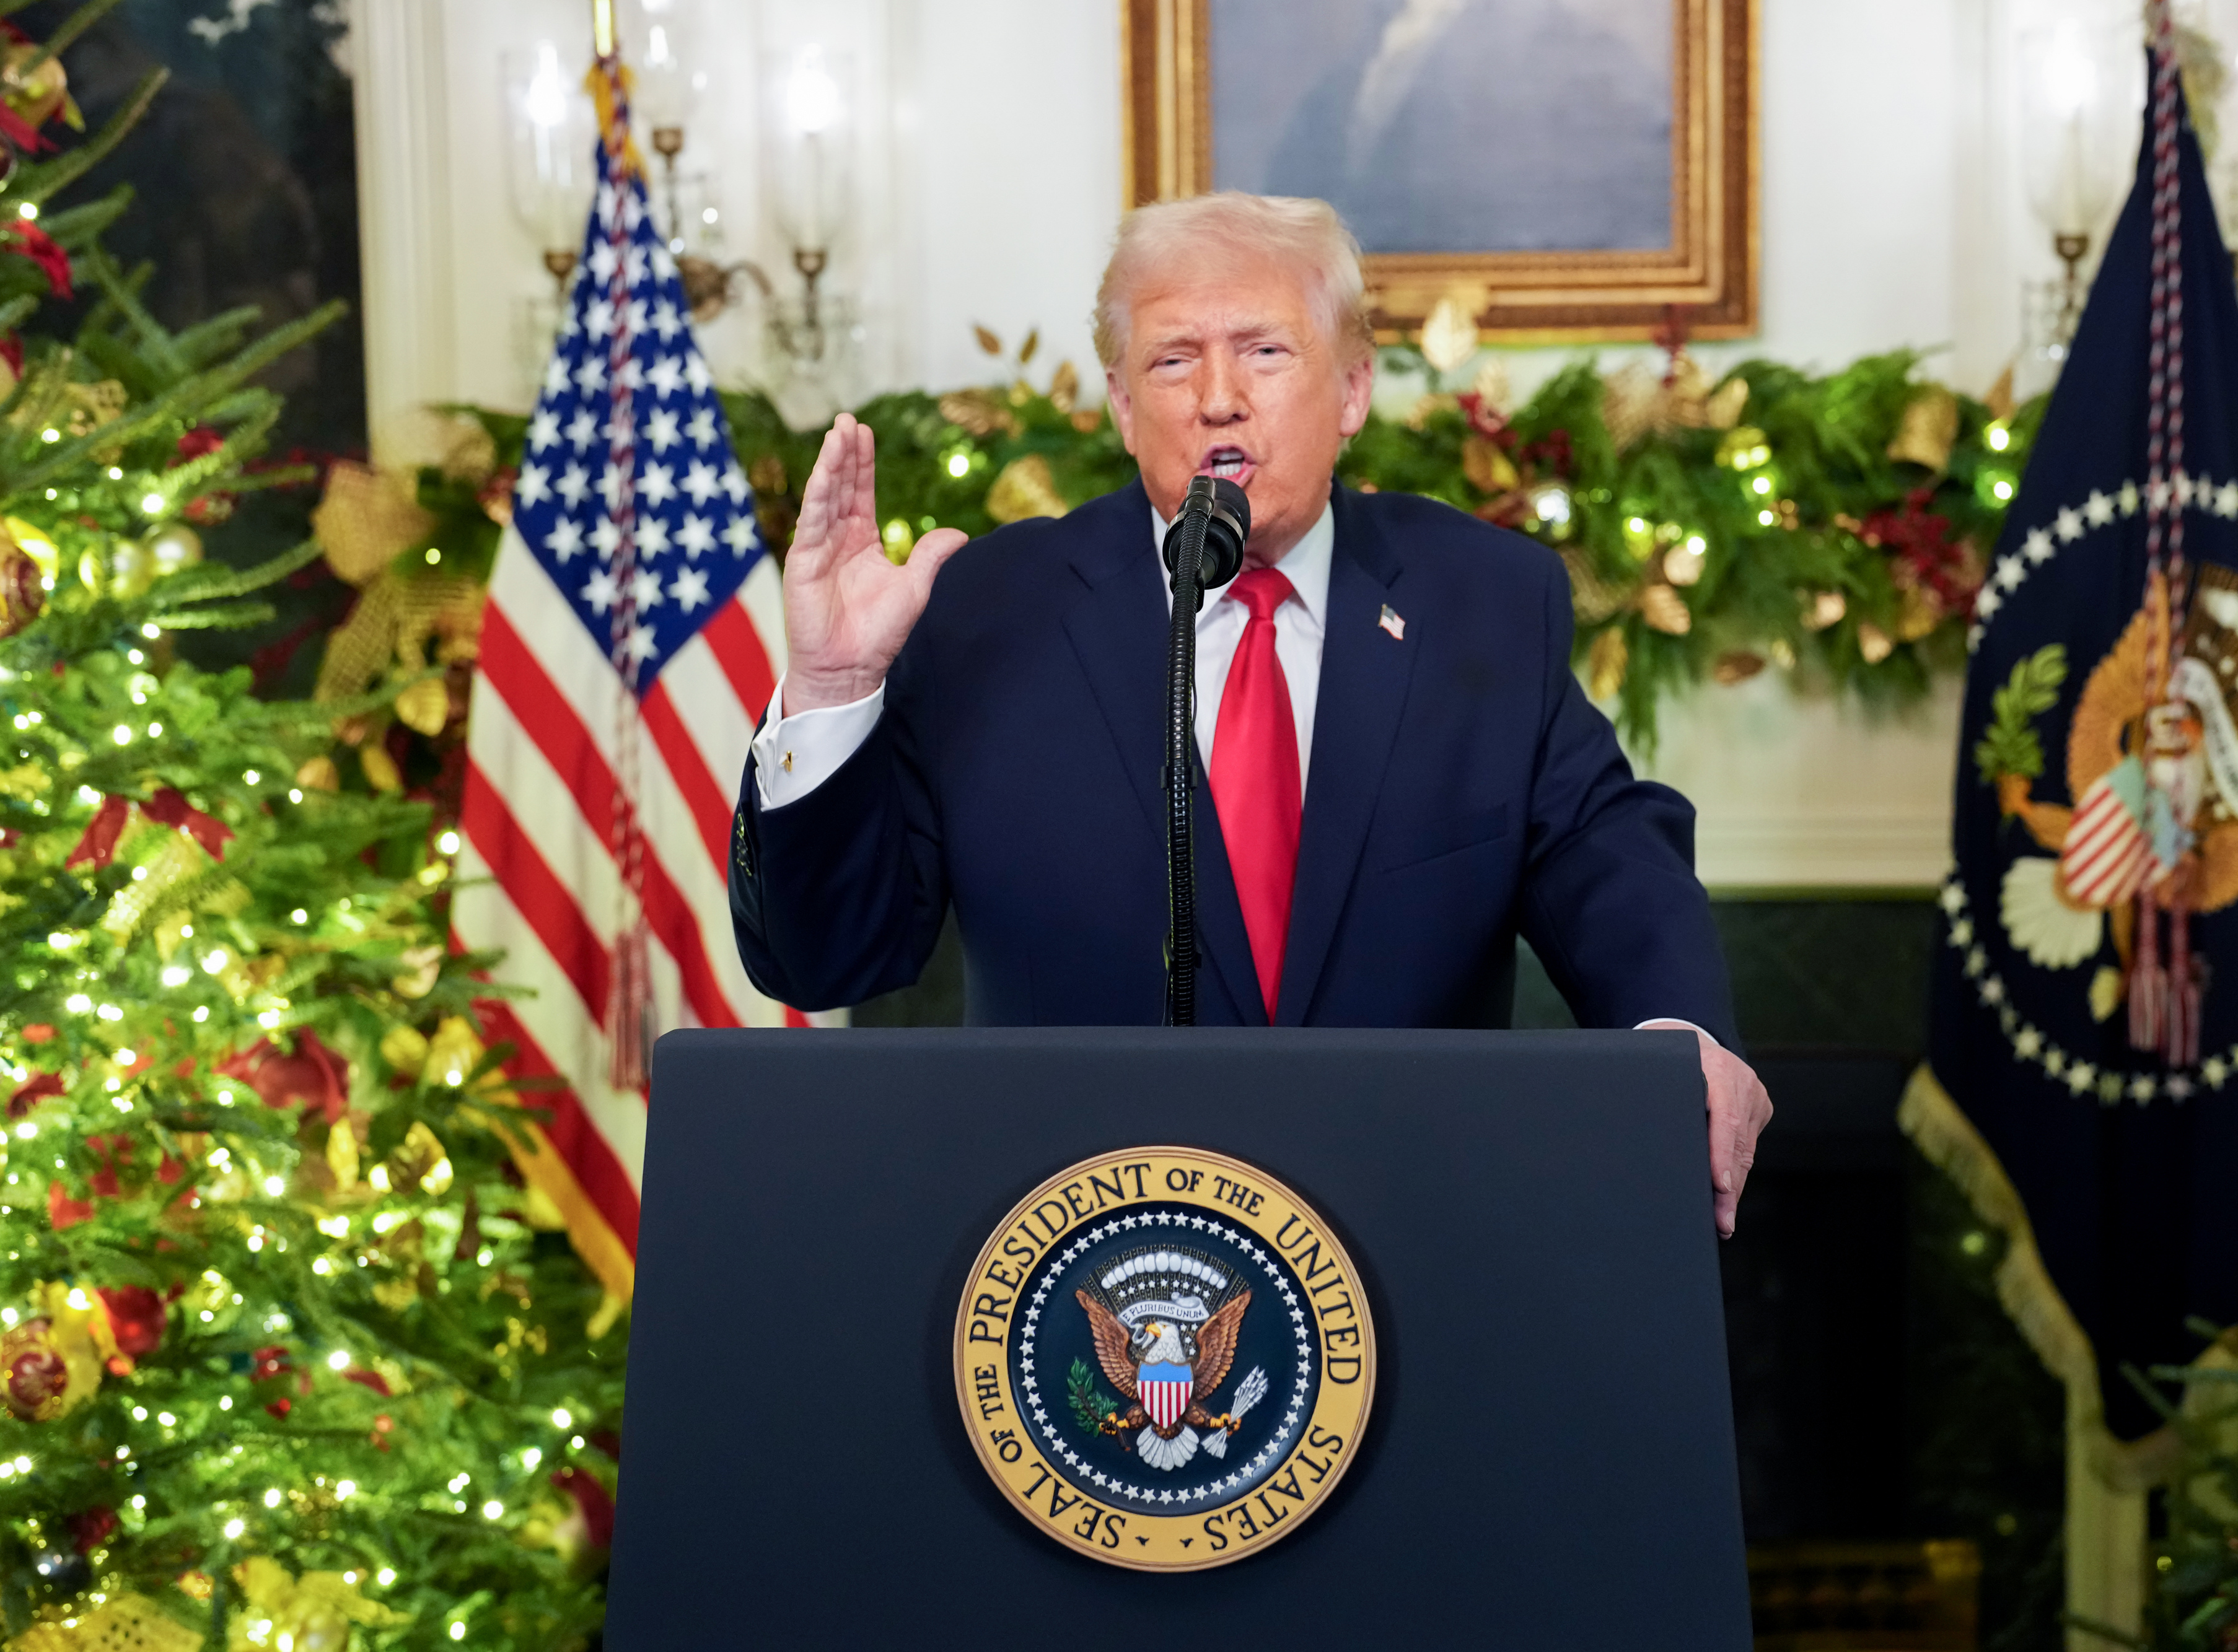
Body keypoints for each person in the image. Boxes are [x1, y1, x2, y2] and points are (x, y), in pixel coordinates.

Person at [727, 191, 1772, 1235]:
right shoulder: (988, 613)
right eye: (1173, 361)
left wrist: (1676, 1030)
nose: (1218, 399)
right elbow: (828, 962)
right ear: (1123, 407)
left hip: (1407, 1232)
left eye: (1265, 352)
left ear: (1353, 388)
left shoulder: (1483, 600)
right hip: (1080, 1247)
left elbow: (1605, 852)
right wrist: (831, 688)